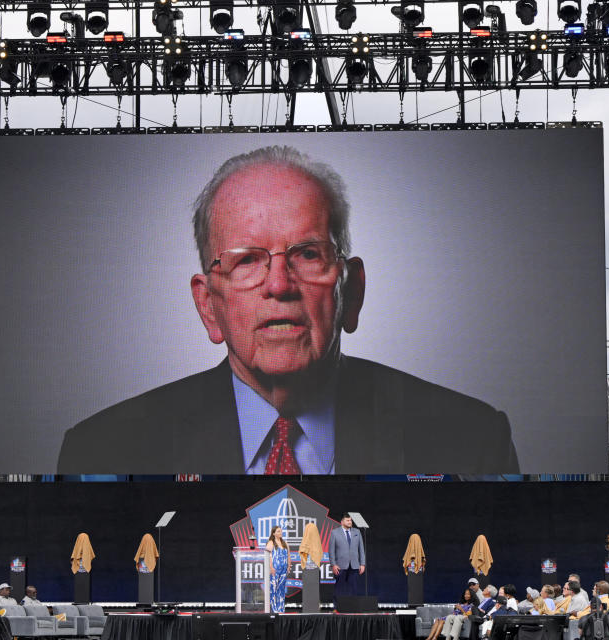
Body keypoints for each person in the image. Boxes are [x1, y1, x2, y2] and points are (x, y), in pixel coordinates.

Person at [57, 146, 520, 475]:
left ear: (351, 291)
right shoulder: (102, 451)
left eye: (307, 254)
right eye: (246, 261)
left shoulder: (470, 439)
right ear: (208, 306)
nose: (279, 285)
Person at [329, 513, 365, 605]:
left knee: (354, 588)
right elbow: (331, 550)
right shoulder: (335, 532)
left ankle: (352, 606)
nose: (350, 522)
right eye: (347, 520)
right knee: (339, 588)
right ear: (342, 522)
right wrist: (333, 564)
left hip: (354, 565)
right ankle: (336, 607)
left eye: (351, 520)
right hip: (340, 565)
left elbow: (361, 549)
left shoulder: (357, 532)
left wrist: (362, 564)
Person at [265, 526, 289, 613]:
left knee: (281, 589)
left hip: (283, 570)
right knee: (273, 589)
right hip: (274, 570)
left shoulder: (284, 543)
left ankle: (281, 609)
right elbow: (267, 556)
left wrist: (288, 566)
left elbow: (288, 556)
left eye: (281, 531)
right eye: (278, 531)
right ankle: (274, 609)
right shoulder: (271, 543)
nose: (280, 533)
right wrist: (271, 567)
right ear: (274, 533)